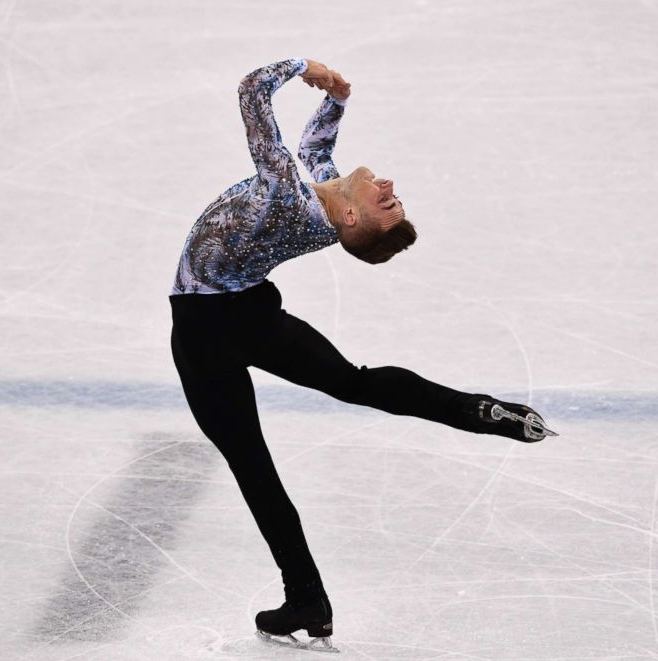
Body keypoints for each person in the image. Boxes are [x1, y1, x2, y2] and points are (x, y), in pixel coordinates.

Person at [169, 58, 554, 651]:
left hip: (202, 330)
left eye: (385, 206)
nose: (390, 191)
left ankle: (307, 597)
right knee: (354, 382)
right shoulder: (325, 206)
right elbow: (316, 150)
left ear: (351, 217)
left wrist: (301, 67)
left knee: (253, 468)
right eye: (392, 202)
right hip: (253, 316)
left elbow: (251, 91)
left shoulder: (281, 192)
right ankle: (480, 411)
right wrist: (336, 101)